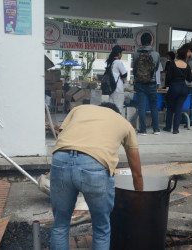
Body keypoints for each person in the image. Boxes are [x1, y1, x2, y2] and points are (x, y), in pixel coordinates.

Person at [50, 102, 143, 250]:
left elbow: (62, 135)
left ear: (99, 107)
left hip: (60, 159)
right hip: (95, 164)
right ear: (116, 113)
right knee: (101, 228)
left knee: (60, 225)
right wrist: (140, 201)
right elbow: (137, 173)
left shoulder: (79, 109)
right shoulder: (124, 124)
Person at [132, 32, 161, 135]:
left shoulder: (135, 54)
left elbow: (134, 68)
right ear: (151, 42)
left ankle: (143, 129)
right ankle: (156, 129)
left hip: (140, 84)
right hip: (152, 83)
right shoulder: (156, 54)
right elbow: (156, 68)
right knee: (153, 106)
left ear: (141, 42)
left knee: (141, 107)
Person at [163, 46, 192, 134]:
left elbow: (168, 78)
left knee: (170, 108)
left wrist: (168, 85)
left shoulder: (172, 64)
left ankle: (168, 127)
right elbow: (190, 79)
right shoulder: (187, 66)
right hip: (183, 88)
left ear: (178, 54)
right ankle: (176, 129)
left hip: (174, 86)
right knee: (178, 109)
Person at [106, 45, 127, 115]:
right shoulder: (118, 62)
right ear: (118, 54)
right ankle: (118, 125)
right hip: (118, 89)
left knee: (111, 110)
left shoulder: (110, 62)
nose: (122, 54)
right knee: (118, 109)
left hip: (111, 89)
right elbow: (124, 74)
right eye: (121, 53)